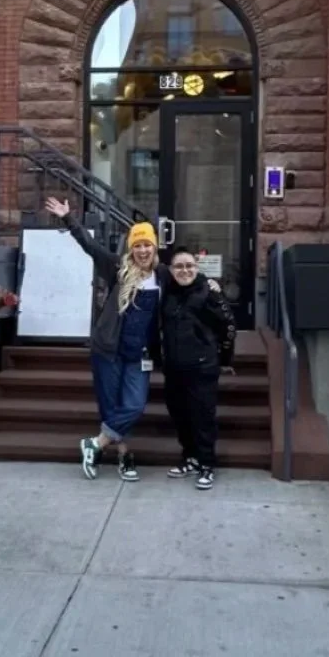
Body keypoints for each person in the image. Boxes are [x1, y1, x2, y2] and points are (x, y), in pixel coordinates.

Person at [43, 195, 161, 481]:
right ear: (131, 248)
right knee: (111, 405)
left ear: (155, 247)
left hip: (140, 355)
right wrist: (68, 219)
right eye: (137, 245)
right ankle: (124, 457)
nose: (143, 250)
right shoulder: (118, 268)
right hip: (108, 349)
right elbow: (91, 247)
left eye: (147, 245)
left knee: (133, 404)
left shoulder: (163, 276)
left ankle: (95, 444)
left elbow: (187, 284)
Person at [159, 246, 234, 491]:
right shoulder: (167, 293)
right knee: (180, 415)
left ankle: (207, 464)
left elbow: (228, 326)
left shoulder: (209, 292)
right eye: (179, 266)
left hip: (202, 367)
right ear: (170, 270)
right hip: (174, 366)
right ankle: (189, 458)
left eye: (189, 265)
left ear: (197, 267)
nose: (185, 270)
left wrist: (224, 359)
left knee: (202, 417)